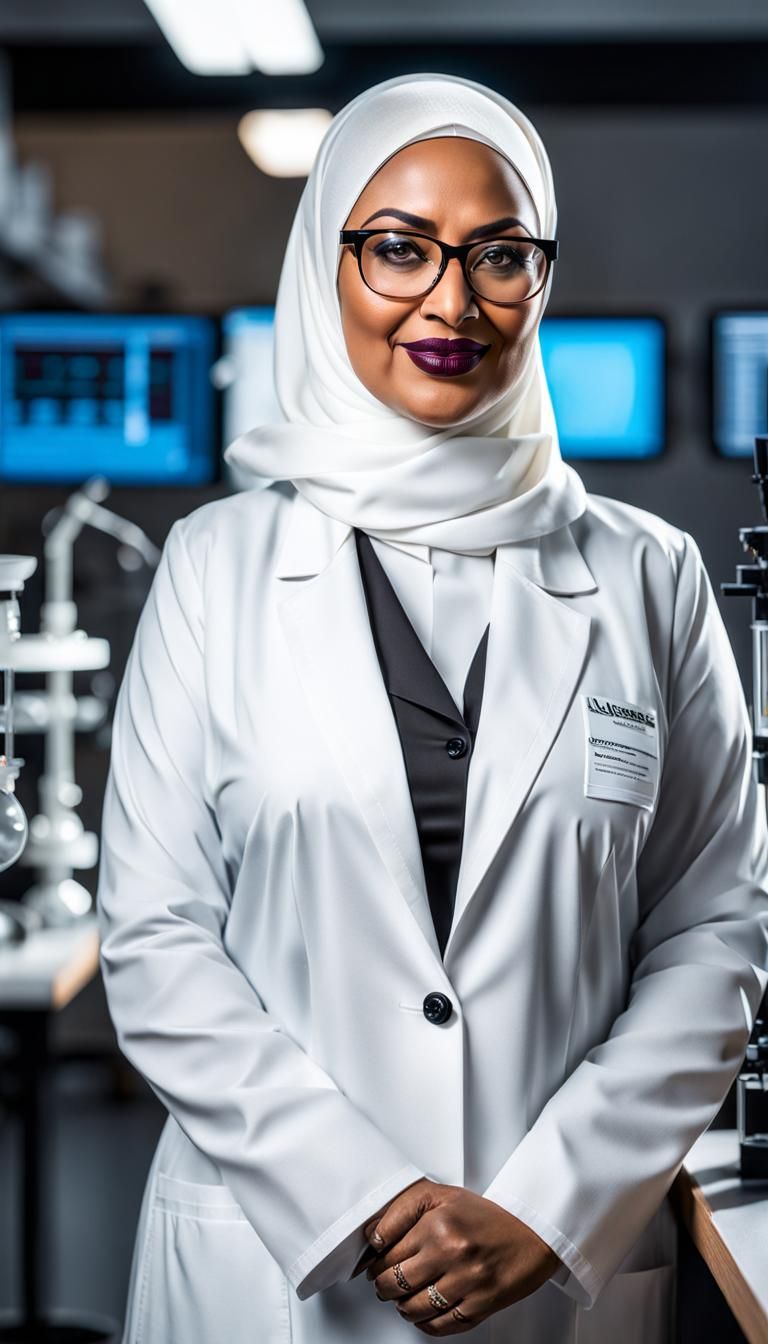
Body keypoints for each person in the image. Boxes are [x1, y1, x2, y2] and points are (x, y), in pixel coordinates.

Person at [96, 73, 768, 1344]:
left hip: (554, 1276)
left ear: (539, 276)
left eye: (498, 255)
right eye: (398, 248)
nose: (450, 302)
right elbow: (156, 936)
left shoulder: (648, 574)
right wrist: (362, 1193)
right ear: (325, 261)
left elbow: (715, 929)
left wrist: (550, 1206)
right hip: (277, 1264)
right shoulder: (216, 566)